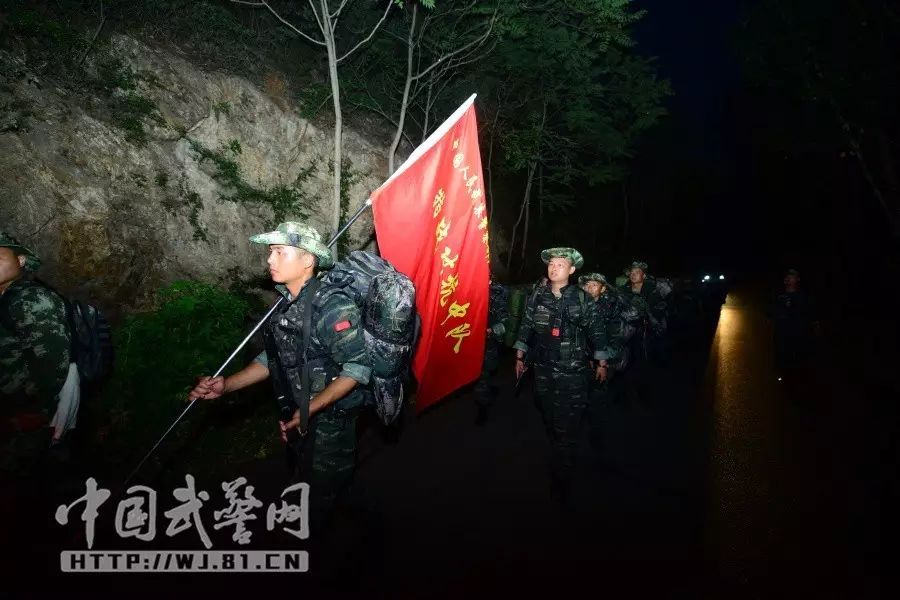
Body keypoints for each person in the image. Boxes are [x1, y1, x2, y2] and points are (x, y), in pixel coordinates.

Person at [189, 222, 371, 531]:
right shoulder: (286, 303)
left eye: (279, 252)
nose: (270, 260)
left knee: (317, 493)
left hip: (331, 418)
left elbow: (357, 368)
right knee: (308, 476)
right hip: (300, 412)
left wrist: (310, 409)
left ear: (307, 260)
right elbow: (271, 359)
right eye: (271, 252)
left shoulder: (333, 307)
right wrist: (227, 385)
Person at [513, 248, 607, 502]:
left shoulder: (582, 298)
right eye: (551, 264)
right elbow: (526, 326)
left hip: (573, 370)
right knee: (549, 415)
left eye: (561, 265)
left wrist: (601, 361)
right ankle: (560, 449)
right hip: (543, 368)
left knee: (567, 424)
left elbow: (597, 330)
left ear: (572, 270)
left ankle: (562, 476)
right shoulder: (538, 296)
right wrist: (520, 356)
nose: (554, 268)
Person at [0, 232, 78, 476]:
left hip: (19, 419)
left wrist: (29, 412)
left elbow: (52, 364)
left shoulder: (32, 299)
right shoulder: (6, 299)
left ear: (21, 261)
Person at [618, 260, 667, 406]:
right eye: (631, 273)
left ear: (643, 275)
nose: (633, 275)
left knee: (644, 363)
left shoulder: (653, 291)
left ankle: (644, 393)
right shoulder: (623, 291)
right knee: (624, 364)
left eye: (636, 272)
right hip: (626, 333)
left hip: (646, 334)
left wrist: (647, 313)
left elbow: (661, 310)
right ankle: (624, 395)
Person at [771, 268, 819, 381]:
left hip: (800, 334)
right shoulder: (779, 296)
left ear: (798, 279)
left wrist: (815, 325)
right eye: (787, 276)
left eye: (792, 275)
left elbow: (812, 313)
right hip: (782, 335)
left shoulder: (804, 297)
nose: (788, 277)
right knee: (783, 357)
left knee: (799, 359)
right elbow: (770, 312)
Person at [475, 276, 509, 425]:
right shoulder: (470, 286)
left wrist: (491, 331)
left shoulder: (500, 292)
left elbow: (508, 321)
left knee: (484, 373)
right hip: (470, 339)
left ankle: (483, 406)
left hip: (488, 340)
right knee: (477, 374)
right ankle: (484, 396)